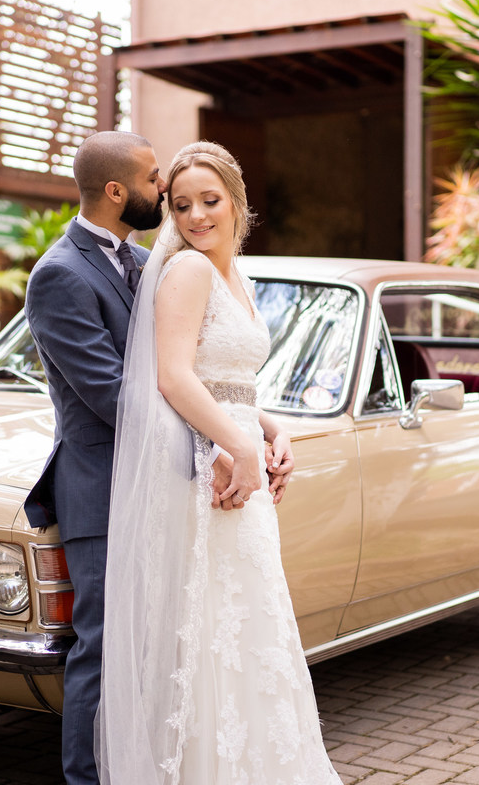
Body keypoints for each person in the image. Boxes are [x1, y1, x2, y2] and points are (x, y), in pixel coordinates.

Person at [96, 141, 342, 784]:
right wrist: (238, 450)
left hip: (237, 461)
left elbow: (229, 382)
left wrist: (269, 430)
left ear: (237, 203)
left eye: (210, 201)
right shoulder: (187, 273)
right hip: (204, 473)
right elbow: (173, 379)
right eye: (181, 206)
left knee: (248, 633)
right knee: (206, 636)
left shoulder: (237, 275)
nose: (197, 217)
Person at [23, 131, 235, 785]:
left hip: (161, 484)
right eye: (152, 180)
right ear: (116, 192)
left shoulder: (145, 261)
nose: (164, 191)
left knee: (157, 642)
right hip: (101, 493)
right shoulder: (59, 274)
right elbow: (116, 396)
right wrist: (215, 442)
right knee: (103, 646)